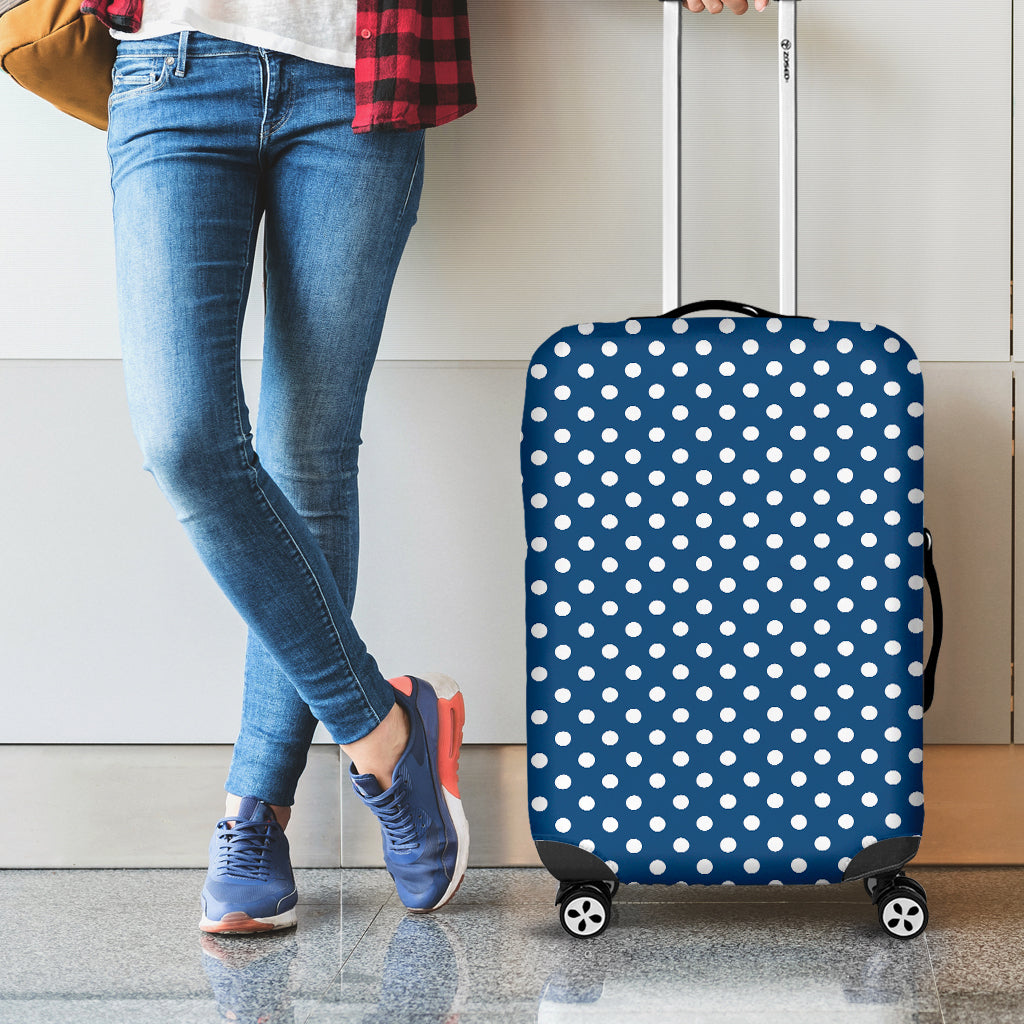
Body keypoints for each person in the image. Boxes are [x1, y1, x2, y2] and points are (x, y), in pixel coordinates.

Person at [87, 0, 476, 933]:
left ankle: (255, 812)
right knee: (184, 442)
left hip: (360, 79)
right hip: (172, 70)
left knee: (307, 456)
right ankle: (386, 730)